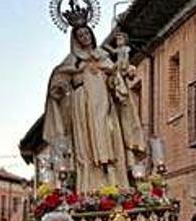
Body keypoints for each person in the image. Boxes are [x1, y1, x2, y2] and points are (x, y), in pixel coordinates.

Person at [43, 22, 144, 193]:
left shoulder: (103, 56)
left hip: (104, 103)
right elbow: (58, 81)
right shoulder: (72, 61)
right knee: (86, 145)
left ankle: (114, 182)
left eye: (87, 33)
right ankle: (89, 188)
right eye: (80, 35)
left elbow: (114, 80)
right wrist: (58, 89)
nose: (85, 37)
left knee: (110, 138)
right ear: (75, 40)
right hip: (82, 104)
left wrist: (119, 78)